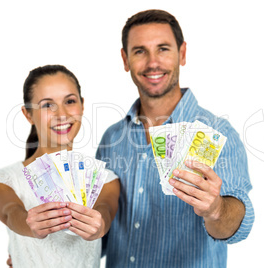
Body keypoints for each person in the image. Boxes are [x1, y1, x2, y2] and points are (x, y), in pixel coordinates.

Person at [96, 9, 254, 267]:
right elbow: (102, 235)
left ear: (182, 53)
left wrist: (215, 209)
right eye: (139, 51)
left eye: (163, 49)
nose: (152, 63)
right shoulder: (112, 138)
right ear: (125, 60)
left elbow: (236, 224)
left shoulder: (218, 133)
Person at [0, 65, 120, 267]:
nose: (62, 114)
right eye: (47, 105)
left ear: (82, 105)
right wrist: (31, 226)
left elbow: (104, 211)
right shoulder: (3, 181)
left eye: (70, 101)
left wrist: (99, 227)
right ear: (28, 114)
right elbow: (11, 213)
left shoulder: (107, 180)